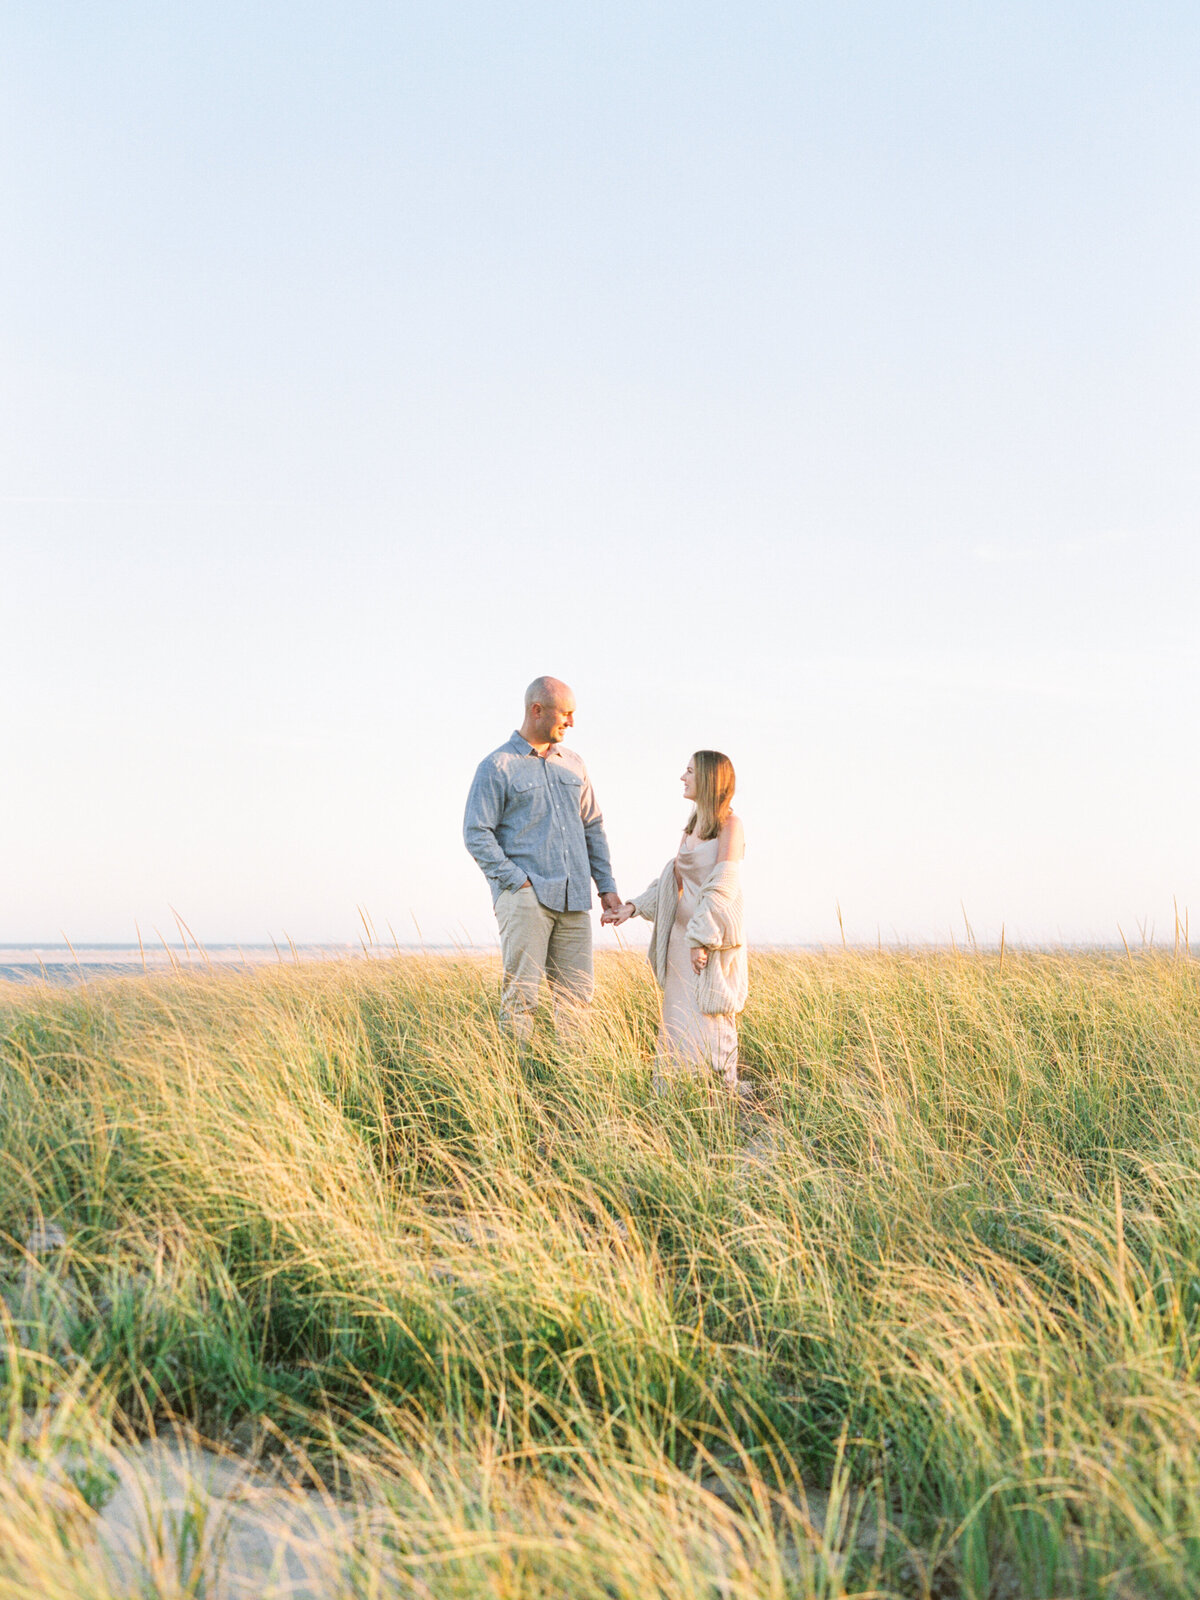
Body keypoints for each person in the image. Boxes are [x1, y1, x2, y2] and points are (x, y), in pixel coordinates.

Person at [464, 676, 623, 1040]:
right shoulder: (496, 766)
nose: (571, 722)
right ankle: (517, 1088)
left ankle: (574, 1087)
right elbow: (476, 832)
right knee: (521, 999)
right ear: (537, 710)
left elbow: (593, 827)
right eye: (565, 713)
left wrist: (606, 888)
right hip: (526, 899)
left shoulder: (575, 764)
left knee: (577, 999)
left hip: (574, 900)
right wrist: (517, 881)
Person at [603, 751, 747, 1087]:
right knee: (679, 1021)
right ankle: (679, 1094)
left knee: (711, 1018)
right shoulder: (692, 827)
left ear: (710, 778)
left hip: (710, 941)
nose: (683, 778)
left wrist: (701, 939)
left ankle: (718, 1094)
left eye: (689, 772)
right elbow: (673, 881)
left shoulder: (731, 826)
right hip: (679, 943)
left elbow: (723, 884)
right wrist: (633, 907)